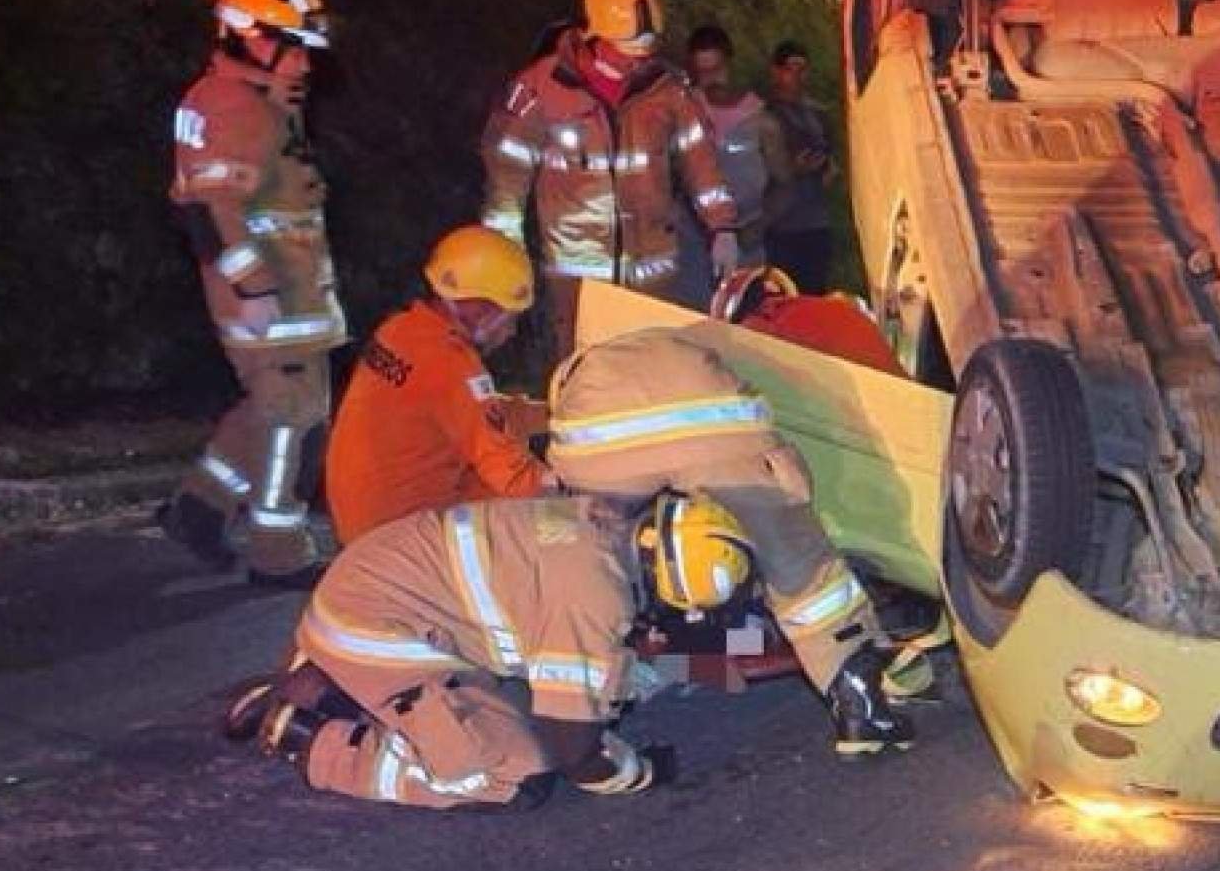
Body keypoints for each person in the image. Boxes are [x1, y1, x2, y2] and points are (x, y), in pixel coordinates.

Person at [224, 491, 752, 814]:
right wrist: (637, 771)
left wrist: (714, 658)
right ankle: (316, 738)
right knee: (515, 772)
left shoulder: (605, 522)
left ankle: (330, 679)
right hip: (379, 626)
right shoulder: (594, 598)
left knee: (613, 686)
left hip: (377, 592)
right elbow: (576, 753)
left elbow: (628, 654)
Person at [544, 309, 914, 755]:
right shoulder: (718, 346)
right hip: (714, 427)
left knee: (596, 563)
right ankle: (862, 708)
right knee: (804, 570)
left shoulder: (588, 370)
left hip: (595, 444)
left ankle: (592, 704)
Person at [159, 0, 347, 581]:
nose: (305, 63)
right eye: (292, 48)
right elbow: (209, 212)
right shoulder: (233, 107)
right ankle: (278, 551)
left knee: (273, 409)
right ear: (252, 36)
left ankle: (201, 507)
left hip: (289, 295)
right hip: (271, 300)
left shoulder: (253, 103)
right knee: (290, 422)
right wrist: (255, 288)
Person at [478, 0, 746, 367]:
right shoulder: (539, 91)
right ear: (592, 37)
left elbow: (701, 164)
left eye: (646, 49)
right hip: (577, 286)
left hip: (651, 282)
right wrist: (504, 264)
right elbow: (505, 182)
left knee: (649, 380)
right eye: (627, 50)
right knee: (579, 379)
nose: (638, 59)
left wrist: (723, 228)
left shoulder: (667, 91)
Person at [321, 226, 554, 543]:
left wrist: (551, 415)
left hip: (362, 520)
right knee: (549, 520)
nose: (511, 332)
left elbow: (467, 412)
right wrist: (573, 492)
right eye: (511, 318)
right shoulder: (454, 366)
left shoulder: (400, 331)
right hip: (402, 537)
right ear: (482, 310)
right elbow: (514, 478)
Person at [685, 24, 773, 276]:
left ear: (731, 62)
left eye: (717, 69)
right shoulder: (684, 111)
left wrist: (757, 228)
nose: (711, 79)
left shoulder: (761, 119)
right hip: (696, 243)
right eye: (702, 72)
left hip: (748, 244)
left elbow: (784, 184)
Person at [759, 40, 839, 291]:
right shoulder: (765, 116)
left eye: (802, 69)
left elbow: (829, 154)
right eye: (790, 69)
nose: (796, 77)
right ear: (776, 71)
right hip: (781, 224)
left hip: (814, 222)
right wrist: (794, 169)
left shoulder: (817, 114)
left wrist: (827, 169)